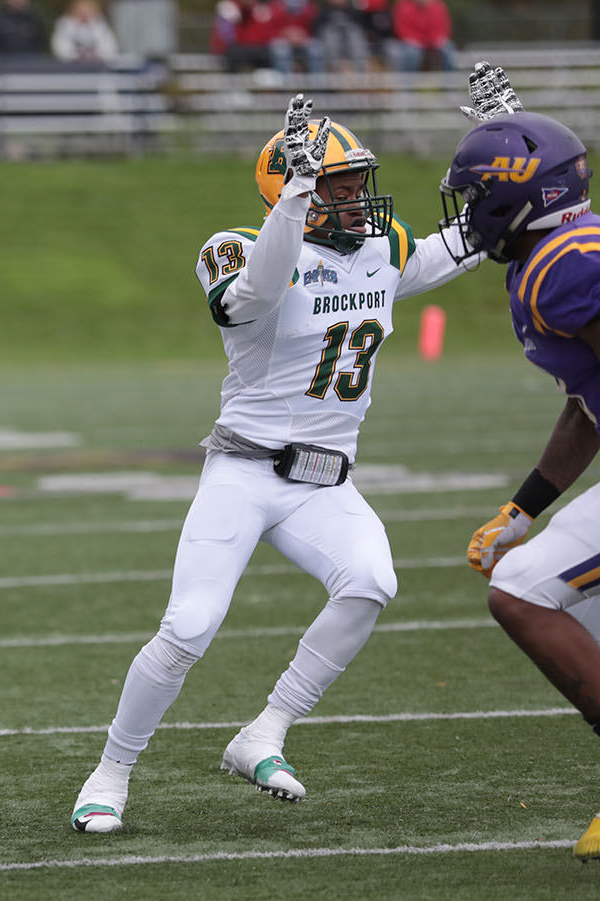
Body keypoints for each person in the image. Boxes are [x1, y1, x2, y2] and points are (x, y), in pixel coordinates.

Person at [70, 92, 480, 834]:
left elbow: (474, 237)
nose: (357, 200)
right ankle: (112, 771)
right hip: (245, 471)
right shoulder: (234, 248)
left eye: (358, 184)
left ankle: (265, 730)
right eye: (339, 187)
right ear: (290, 191)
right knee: (190, 625)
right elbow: (250, 299)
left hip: (326, 480)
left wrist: (512, 153)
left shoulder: (383, 251)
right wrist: (294, 201)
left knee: (372, 582)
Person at [441, 63, 600, 863]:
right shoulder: (569, 248)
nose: (471, 214)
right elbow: (587, 399)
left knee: (523, 592)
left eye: (475, 197)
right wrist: (526, 505)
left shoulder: (563, 267)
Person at [388, 0, 454, 72]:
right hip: (412, 43)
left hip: (433, 42)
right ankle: (409, 81)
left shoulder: (438, 6)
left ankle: (450, 80)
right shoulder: (402, 6)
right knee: (411, 52)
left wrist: (436, 40)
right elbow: (401, 29)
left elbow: (443, 27)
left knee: (447, 48)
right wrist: (417, 41)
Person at [51, 0, 120, 64]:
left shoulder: (101, 26)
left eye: (87, 10)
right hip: (71, 67)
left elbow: (110, 48)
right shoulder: (65, 26)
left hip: (98, 67)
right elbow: (61, 48)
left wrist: (97, 56)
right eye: (81, 10)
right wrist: (76, 56)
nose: (84, 14)